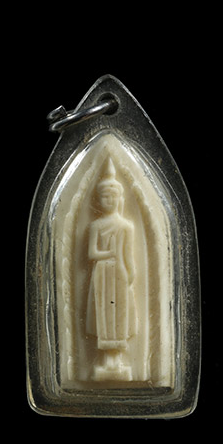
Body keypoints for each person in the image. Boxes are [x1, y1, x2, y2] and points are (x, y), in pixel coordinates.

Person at [86, 158, 137, 380]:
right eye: (105, 197)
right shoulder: (95, 226)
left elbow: (128, 256)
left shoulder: (126, 227)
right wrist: (109, 253)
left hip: (119, 274)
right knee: (104, 316)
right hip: (102, 273)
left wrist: (131, 274)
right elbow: (92, 254)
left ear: (119, 198)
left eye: (113, 196)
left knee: (119, 315)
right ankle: (107, 362)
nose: (109, 200)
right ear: (99, 200)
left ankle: (118, 361)